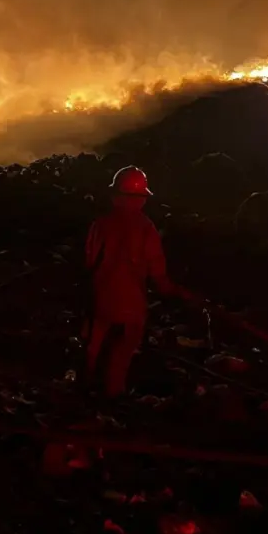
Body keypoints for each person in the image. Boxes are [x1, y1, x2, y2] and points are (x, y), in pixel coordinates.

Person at [83, 166, 184, 398]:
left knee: (92, 346)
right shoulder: (146, 229)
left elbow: (88, 263)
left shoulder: (100, 225)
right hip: (131, 303)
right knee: (123, 348)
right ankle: (113, 394)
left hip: (100, 298)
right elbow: (157, 274)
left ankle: (85, 387)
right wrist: (176, 292)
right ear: (141, 199)